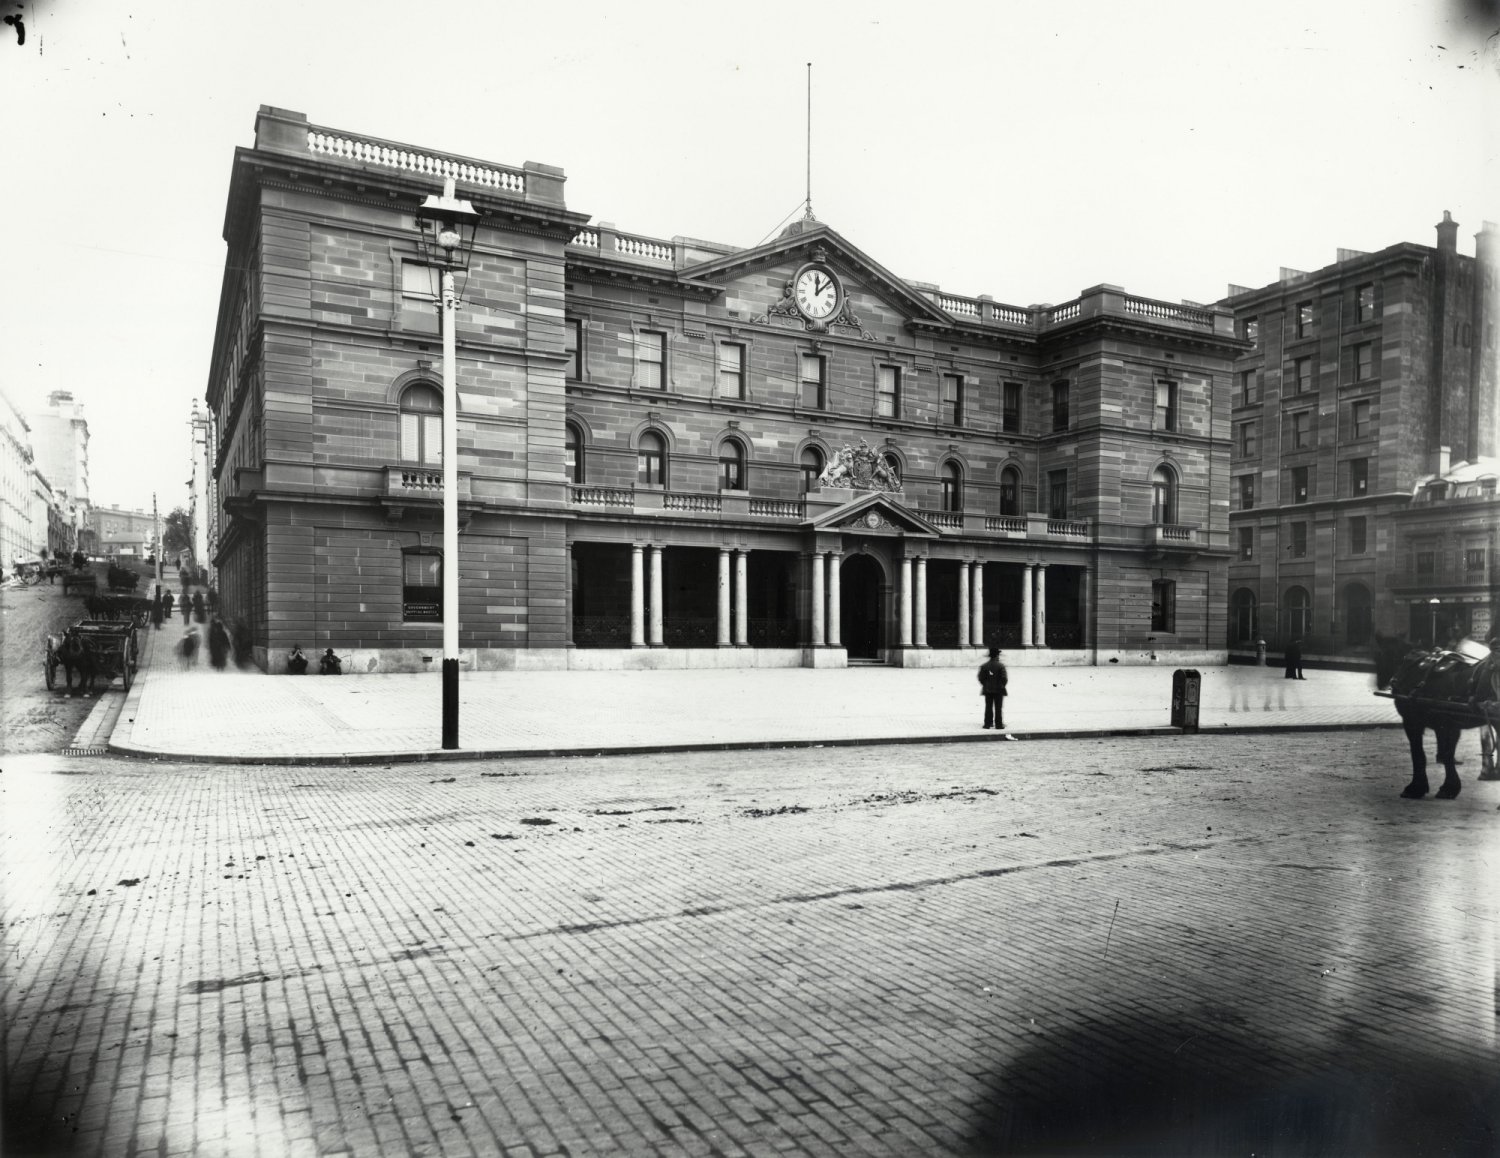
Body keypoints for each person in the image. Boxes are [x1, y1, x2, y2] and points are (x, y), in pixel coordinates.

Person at [977, 647, 1008, 730]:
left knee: (988, 707)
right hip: (999, 689)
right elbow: (1004, 678)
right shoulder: (1001, 666)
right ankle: (999, 724)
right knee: (998, 708)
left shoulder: (984, 666)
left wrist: (985, 684)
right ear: (997, 655)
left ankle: (987, 724)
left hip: (988, 689)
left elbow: (980, 678)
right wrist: (1001, 685)